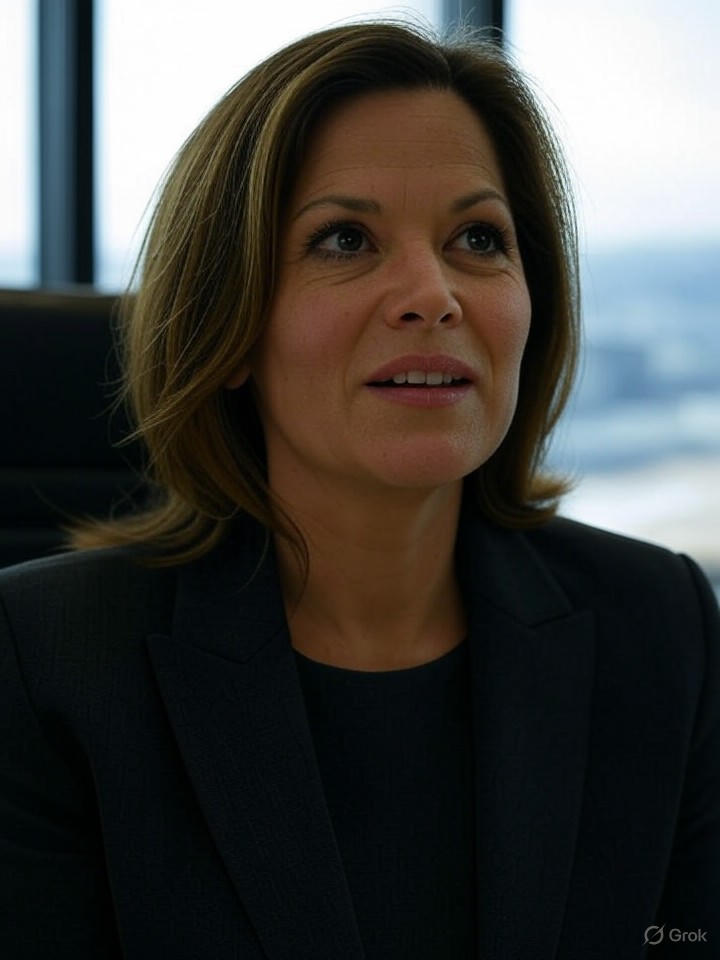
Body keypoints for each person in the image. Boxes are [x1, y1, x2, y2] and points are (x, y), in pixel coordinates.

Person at [1, 18, 718, 960]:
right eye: (345, 239)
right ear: (228, 323)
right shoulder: (46, 663)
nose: (433, 294)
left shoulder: (660, 624)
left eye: (477, 237)